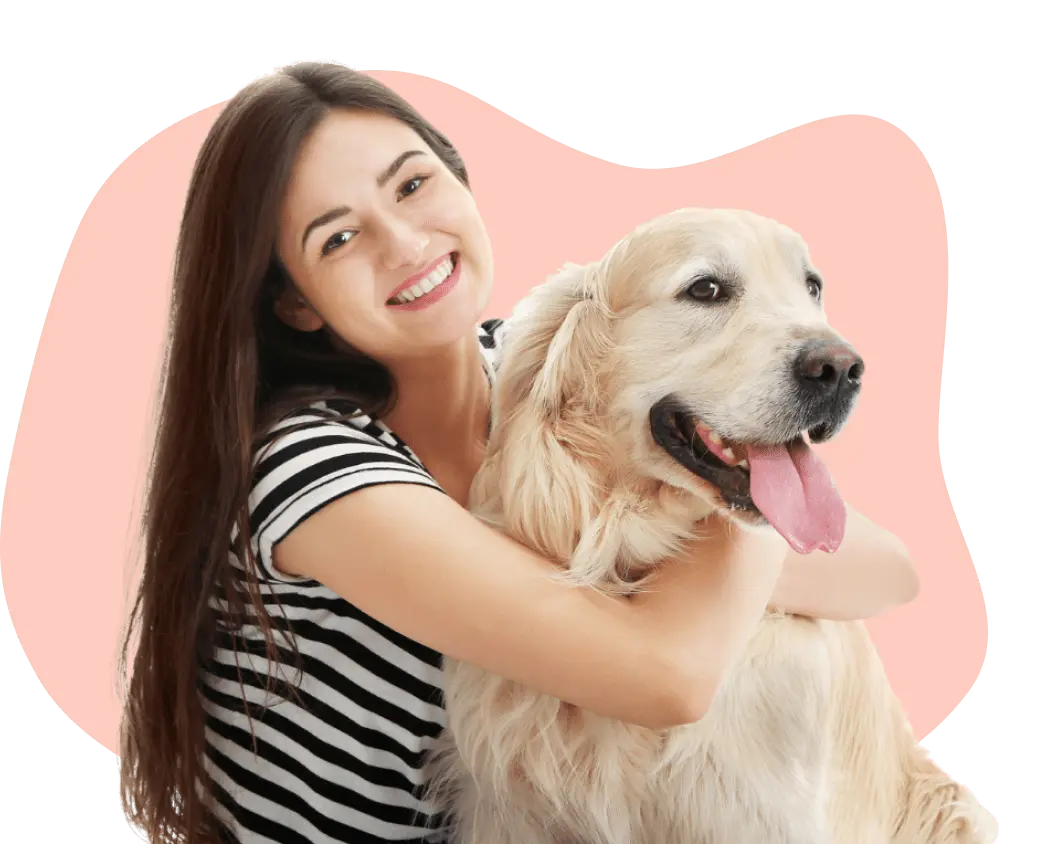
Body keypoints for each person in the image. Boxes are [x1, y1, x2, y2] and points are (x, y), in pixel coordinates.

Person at [117, 60, 919, 844]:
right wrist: (740, 484)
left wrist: (737, 475)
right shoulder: (307, 467)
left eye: (412, 185)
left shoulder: (542, 371)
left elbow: (884, 572)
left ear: (461, 179)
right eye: (339, 238)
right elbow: (667, 675)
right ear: (294, 302)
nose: (403, 243)